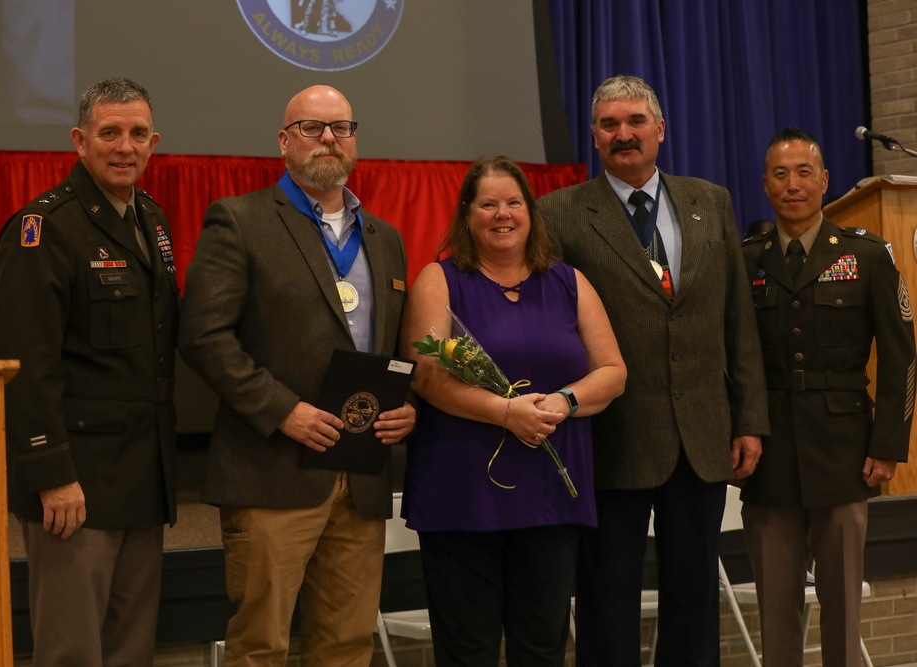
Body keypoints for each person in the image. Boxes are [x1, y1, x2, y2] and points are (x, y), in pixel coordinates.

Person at [178, 85, 415, 666]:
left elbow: (395, 349)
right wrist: (283, 410)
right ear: (284, 142)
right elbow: (203, 336)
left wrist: (409, 404)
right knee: (260, 644)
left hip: (360, 477)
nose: (329, 138)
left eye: (341, 127)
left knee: (348, 644)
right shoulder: (240, 221)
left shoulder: (386, 239)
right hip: (271, 471)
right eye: (312, 127)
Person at [536, 75, 769, 666]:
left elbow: (736, 319)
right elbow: (550, 330)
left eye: (636, 121)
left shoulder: (709, 200)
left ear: (660, 130)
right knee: (606, 596)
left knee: (694, 596)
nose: (624, 134)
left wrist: (749, 420)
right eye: (610, 125)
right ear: (594, 136)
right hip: (610, 437)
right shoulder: (559, 213)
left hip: (702, 434)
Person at [400, 156, 627, 666]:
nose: (502, 214)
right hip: (462, 494)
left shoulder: (569, 281)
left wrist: (565, 402)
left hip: (550, 491)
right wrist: (504, 412)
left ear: (531, 212)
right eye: (488, 204)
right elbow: (427, 374)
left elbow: (613, 372)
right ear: (467, 213)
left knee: (542, 646)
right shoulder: (439, 279)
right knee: (468, 650)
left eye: (513, 203)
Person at [0, 78, 178, 666]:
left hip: (144, 475)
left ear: (153, 143)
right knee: (72, 649)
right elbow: (27, 366)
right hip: (77, 482)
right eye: (110, 133)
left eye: (138, 134)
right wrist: (51, 473)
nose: (125, 147)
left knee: (131, 648)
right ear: (79, 140)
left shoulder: (150, 218)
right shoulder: (44, 230)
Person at [740, 127, 915, 667]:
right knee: (776, 607)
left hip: (845, 448)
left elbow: (901, 355)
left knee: (842, 607)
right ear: (765, 184)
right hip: (768, 451)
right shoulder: (745, 261)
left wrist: (888, 443)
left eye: (804, 173)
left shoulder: (867, 255)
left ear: (825, 181)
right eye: (780, 174)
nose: (793, 185)